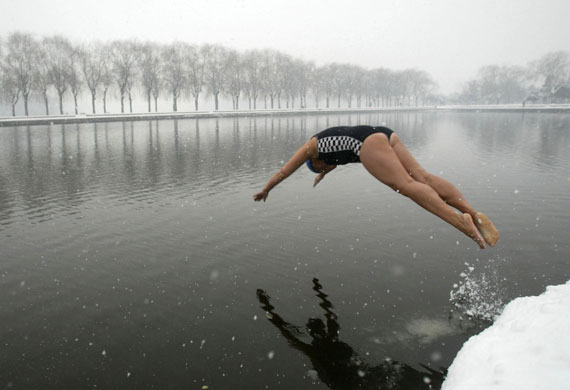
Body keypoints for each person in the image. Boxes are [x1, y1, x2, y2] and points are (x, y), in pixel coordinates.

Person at [253, 125, 499, 249]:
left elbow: (285, 171)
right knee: (425, 177)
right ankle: (473, 213)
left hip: (367, 145)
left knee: (406, 185)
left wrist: (267, 189)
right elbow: (333, 162)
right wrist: (322, 177)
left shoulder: (310, 148)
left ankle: (460, 222)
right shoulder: (328, 154)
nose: (323, 168)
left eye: (319, 168)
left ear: (314, 161)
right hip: (384, 133)